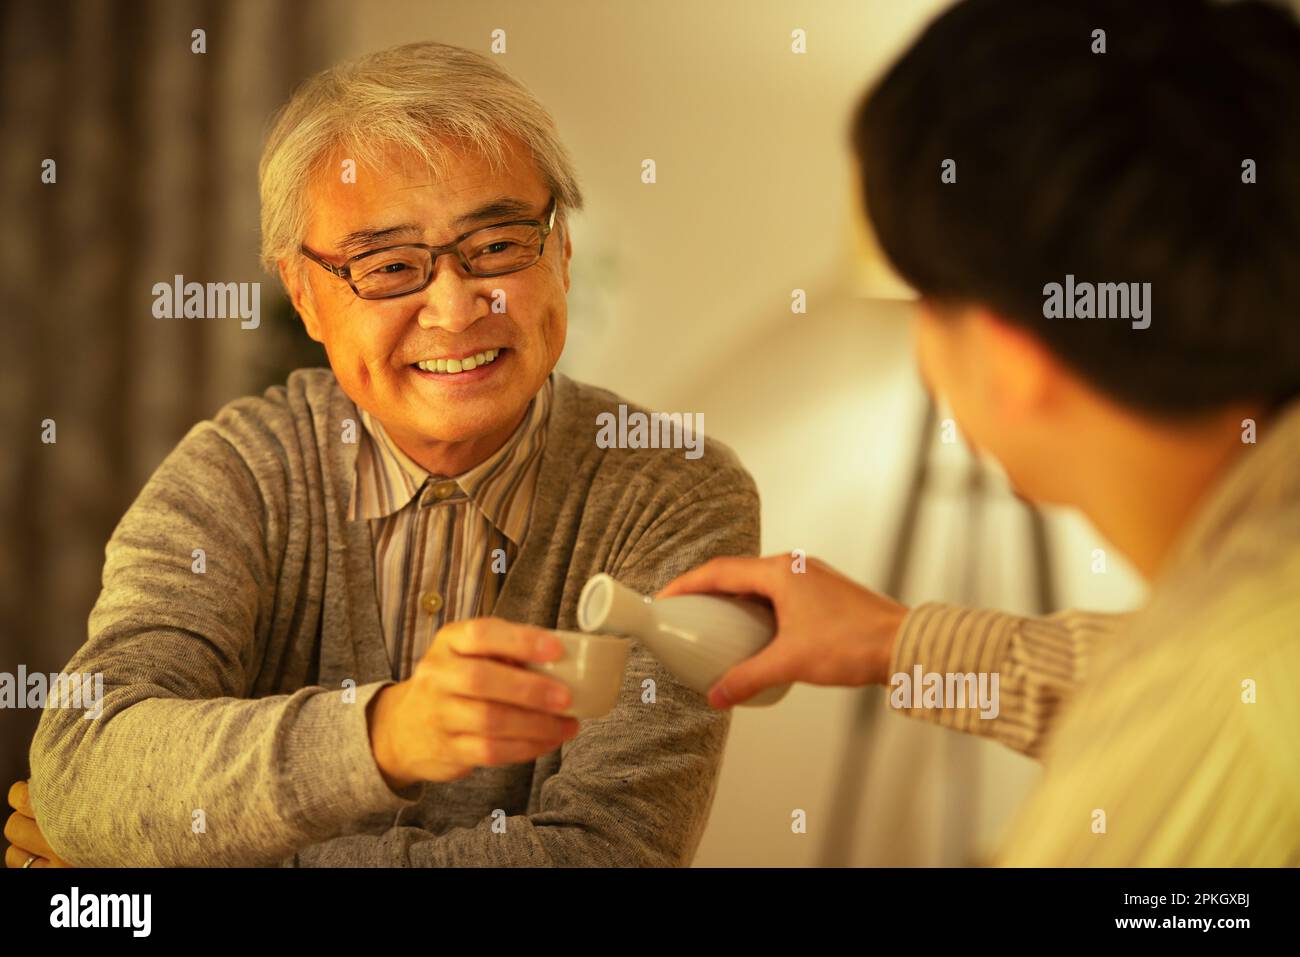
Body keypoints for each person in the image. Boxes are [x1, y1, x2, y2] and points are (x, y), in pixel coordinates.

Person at [5, 42, 759, 867]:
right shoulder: (241, 471)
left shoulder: (674, 492)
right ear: (307, 298)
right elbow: (86, 763)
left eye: (500, 246)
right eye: (390, 266)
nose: (455, 305)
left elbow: (612, 855)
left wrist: (176, 856)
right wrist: (387, 733)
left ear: (563, 251)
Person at [661, 0, 1300, 865]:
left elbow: (1200, 706)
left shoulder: (1214, 721)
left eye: (929, 301)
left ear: (1009, 357)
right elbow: (1152, 672)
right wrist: (897, 640)